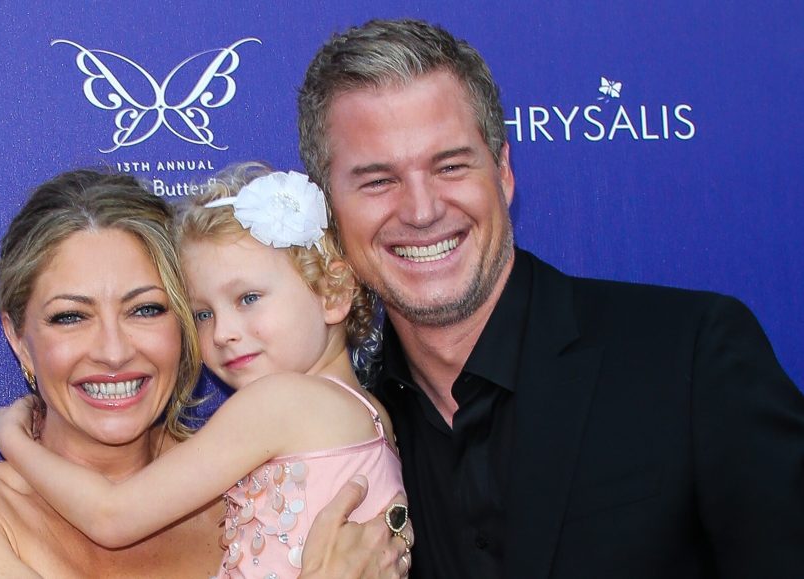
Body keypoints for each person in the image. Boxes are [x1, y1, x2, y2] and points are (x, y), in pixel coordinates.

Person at [297, 18, 804, 579]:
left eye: (450, 166)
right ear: (328, 211)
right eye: (378, 181)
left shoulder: (691, 355)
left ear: (504, 172)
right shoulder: (334, 439)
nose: (421, 211)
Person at [0, 169, 407, 578]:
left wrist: (13, 439)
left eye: (146, 309)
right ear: (17, 340)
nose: (113, 352)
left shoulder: (243, 485)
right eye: (70, 316)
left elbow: (111, 515)